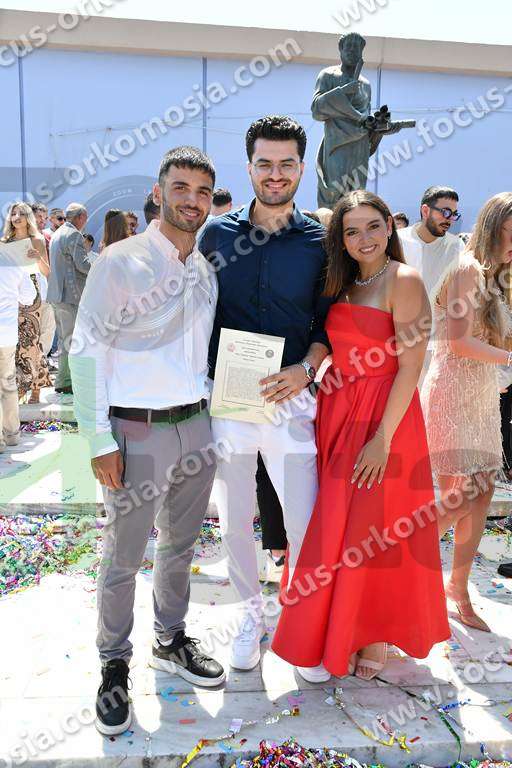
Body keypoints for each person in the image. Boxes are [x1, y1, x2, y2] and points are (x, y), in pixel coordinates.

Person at [69, 146, 225, 737]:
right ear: (159, 193)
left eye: (203, 192)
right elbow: (85, 348)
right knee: (123, 557)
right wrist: (97, 437)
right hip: (136, 431)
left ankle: (171, 639)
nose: (192, 200)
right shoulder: (120, 261)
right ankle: (113, 665)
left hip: (196, 425)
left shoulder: (204, 269)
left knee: (181, 546)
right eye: (181, 188)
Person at [272, 189, 450, 683]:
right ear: (341, 240)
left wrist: (383, 439)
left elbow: (411, 366)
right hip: (338, 414)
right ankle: (341, 628)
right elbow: (334, 345)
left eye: (373, 226)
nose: (364, 238)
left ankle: (374, 634)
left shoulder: (404, 280)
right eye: (352, 231)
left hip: (384, 418)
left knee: (374, 530)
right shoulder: (343, 284)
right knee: (339, 528)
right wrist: (319, 372)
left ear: (389, 227)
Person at [198, 115, 331, 671]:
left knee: (304, 522)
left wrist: (307, 368)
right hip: (229, 399)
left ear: (301, 167)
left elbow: (328, 321)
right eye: (265, 164)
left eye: (286, 164)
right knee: (235, 519)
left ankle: (301, 627)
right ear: (249, 166)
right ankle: (250, 617)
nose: (275, 174)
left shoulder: (321, 243)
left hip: (292, 399)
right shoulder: (216, 235)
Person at [421, 192, 512, 633]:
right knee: (462, 496)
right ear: (493, 228)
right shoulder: (466, 270)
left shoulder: (499, 277)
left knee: (481, 492)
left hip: (482, 395)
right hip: (453, 394)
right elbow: (458, 342)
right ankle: (398, 562)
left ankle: (456, 588)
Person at [2, 202, 51, 404]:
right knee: (13, 343)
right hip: (10, 293)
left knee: (31, 341)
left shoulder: (37, 240)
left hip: (32, 293)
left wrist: (38, 257)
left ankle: (36, 387)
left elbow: (46, 271)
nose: (17, 217)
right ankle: (19, 387)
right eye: (13, 213)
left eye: (21, 213)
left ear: (27, 217)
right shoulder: (5, 242)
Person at [47, 203, 90, 395]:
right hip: (69, 296)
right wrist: (101, 266)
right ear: (80, 217)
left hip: (57, 295)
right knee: (70, 341)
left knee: (65, 340)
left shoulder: (57, 233)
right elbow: (83, 265)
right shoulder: (73, 235)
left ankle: (63, 379)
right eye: (85, 218)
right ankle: (65, 381)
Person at [0, 239, 37, 449]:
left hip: (6, 331)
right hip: (6, 332)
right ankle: (12, 434)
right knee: (7, 383)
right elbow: (29, 297)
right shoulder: (12, 260)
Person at [398, 186, 463, 298]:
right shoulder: (398, 240)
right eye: (446, 212)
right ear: (425, 211)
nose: (450, 219)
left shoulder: (457, 246)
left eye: (454, 214)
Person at [31, 202, 56, 360]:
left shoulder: (47, 237)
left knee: (48, 327)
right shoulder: (19, 238)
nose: (43, 220)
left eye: (45, 217)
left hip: (47, 290)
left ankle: (41, 360)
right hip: (28, 294)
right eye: (39, 216)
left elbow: (49, 268)